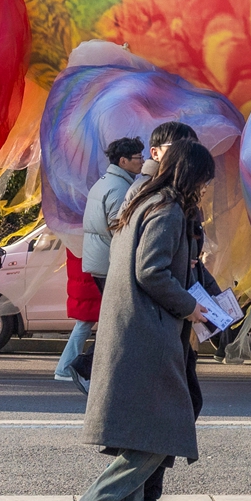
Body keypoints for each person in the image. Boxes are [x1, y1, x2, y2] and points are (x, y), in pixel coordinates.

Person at [76, 139, 217, 501]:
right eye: (204, 180)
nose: (205, 188)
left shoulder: (141, 200)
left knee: (139, 432)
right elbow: (151, 271)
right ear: (190, 175)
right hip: (148, 332)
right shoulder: (168, 210)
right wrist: (190, 306)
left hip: (129, 328)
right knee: (163, 432)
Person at [58, 137, 144, 384]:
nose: (142, 162)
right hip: (110, 262)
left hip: (99, 261)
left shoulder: (105, 182)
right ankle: (82, 367)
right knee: (117, 320)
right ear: (123, 161)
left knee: (110, 319)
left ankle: (77, 367)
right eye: (138, 158)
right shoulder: (119, 188)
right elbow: (120, 230)